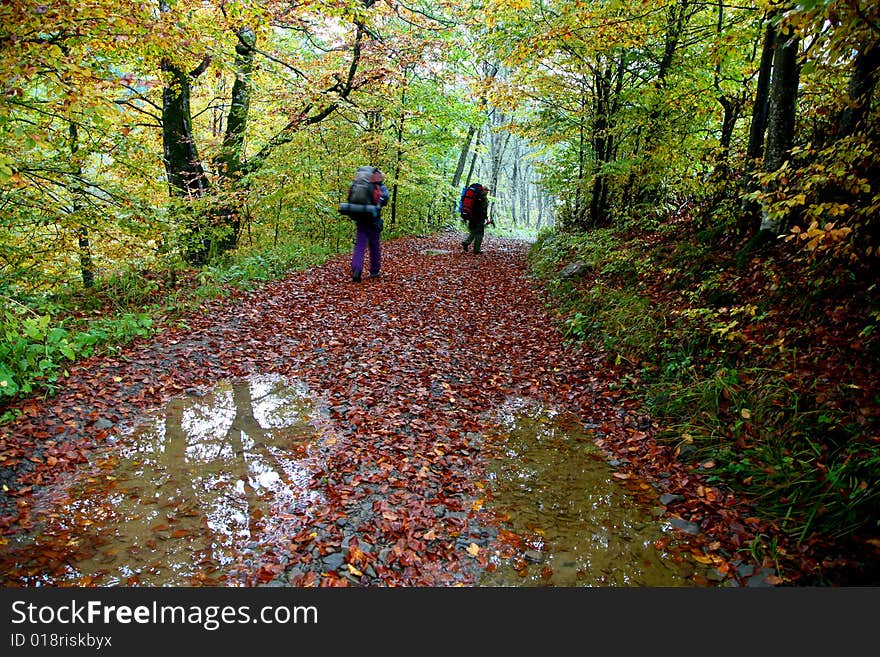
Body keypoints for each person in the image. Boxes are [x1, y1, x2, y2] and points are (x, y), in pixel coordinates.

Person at [348, 166, 390, 282]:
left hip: (360, 218)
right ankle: (374, 270)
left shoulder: (359, 184)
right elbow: (385, 199)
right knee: (374, 245)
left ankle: (357, 269)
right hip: (374, 219)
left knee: (359, 244)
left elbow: (350, 196)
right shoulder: (380, 187)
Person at [461, 183, 492, 254]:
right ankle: (472, 247)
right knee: (479, 233)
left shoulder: (475, 196)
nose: (487, 192)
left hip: (471, 216)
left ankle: (470, 245)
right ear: (483, 190)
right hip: (478, 218)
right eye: (486, 190)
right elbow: (483, 209)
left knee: (474, 231)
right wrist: (486, 218)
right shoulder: (482, 197)